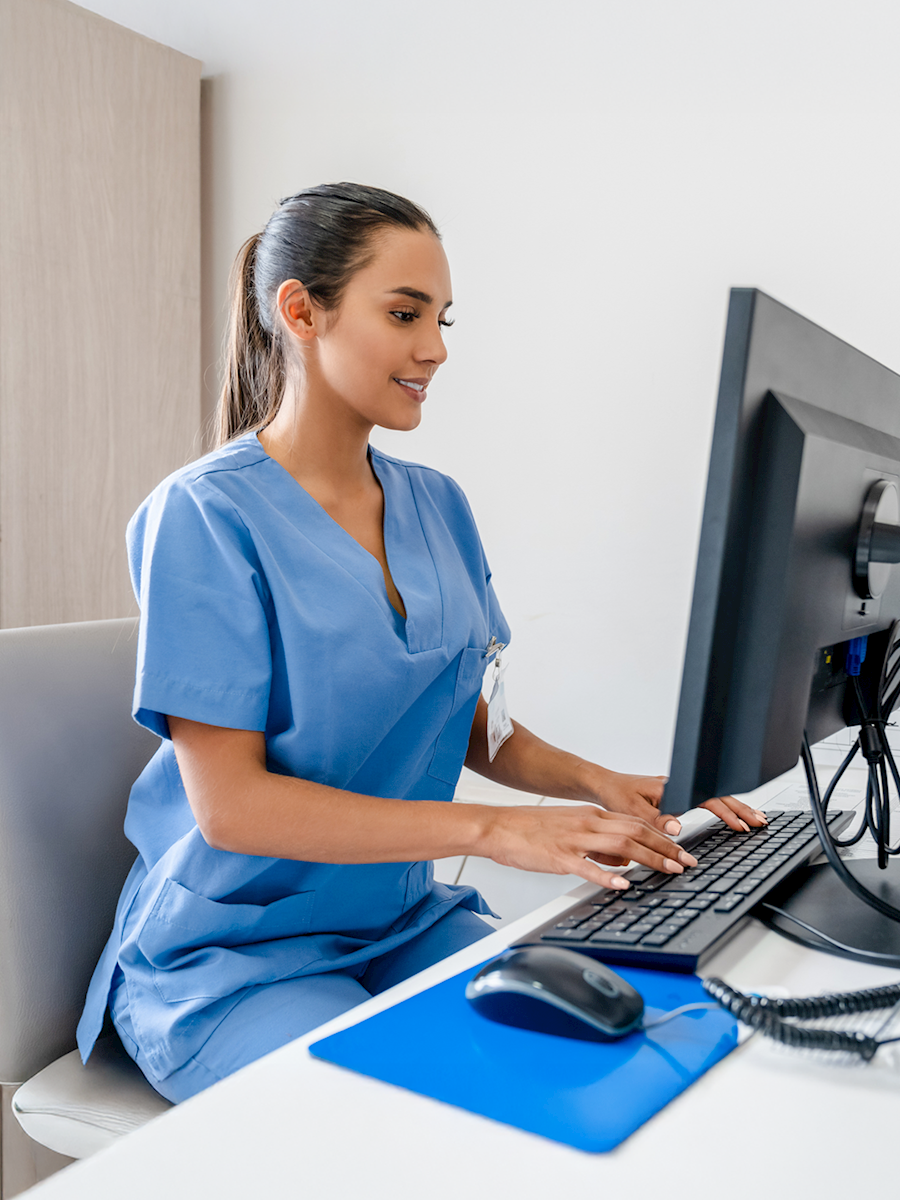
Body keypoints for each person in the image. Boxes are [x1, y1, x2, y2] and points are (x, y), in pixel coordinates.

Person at [77, 183, 764, 1103]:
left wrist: (612, 786)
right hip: (234, 954)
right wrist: (496, 830)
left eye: (442, 319)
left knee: (602, 1067)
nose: (434, 349)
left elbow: (470, 722)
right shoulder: (203, 516)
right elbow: (232, 808)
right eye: (404, 314)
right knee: (401, 1126)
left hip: (397, 921)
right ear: (301, 311)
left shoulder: (439, 505)